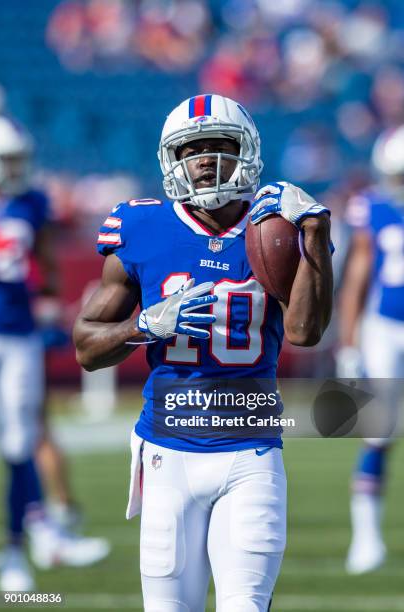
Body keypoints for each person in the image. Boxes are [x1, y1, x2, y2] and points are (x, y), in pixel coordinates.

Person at [74, 94, 333, 611]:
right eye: (194, 149)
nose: (207, 159)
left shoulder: (277, 230)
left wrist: (316, 236)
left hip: (251, 449)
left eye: (221, 146)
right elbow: (86, 347)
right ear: (174, 159)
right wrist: (143, 324)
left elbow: (305, 333)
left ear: (249, 153)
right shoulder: (141, 226)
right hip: (167, 451)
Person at [0, 116, 109, 592]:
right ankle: (41, 529)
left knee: (21, 440)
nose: (16, 168)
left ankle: (21, 546)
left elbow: (44, 266)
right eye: (8, 160)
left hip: (17, 333)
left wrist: (47, 303)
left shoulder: (32, 202)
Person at [337, 125, 404, 575]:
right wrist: (348, 341)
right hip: (386, 328)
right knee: (379, 432)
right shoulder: (374, 208)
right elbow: (358, 276)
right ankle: (366, 540)